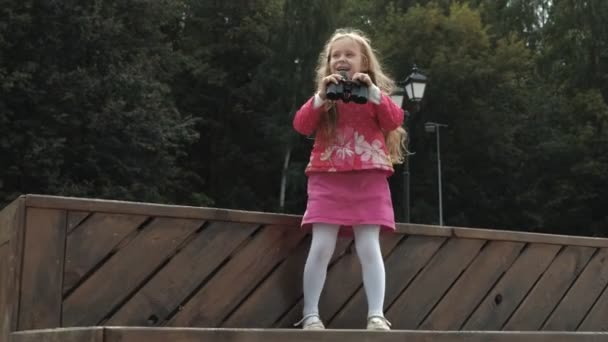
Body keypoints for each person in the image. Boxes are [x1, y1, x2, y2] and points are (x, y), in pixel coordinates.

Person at [292, 28, 406, 331]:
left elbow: (395, 120)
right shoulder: (325, 97)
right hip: (328, 178)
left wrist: (374, 93)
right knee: (321, 245)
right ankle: (311, 314)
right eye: (335, 55)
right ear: (328, 63)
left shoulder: (372, 96)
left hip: (368, 178)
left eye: (349, 54)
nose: (341, 59)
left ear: (365, 62)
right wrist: (319, 97)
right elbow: (301, 125)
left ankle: (376, 315)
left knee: (369, 246)